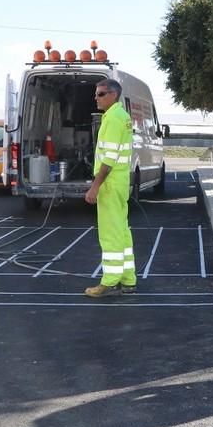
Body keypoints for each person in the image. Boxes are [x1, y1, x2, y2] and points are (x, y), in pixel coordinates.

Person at [84, 79, 137, 298]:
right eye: (96, 94)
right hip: (120, 181)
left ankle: (110, 280)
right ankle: (128, 278)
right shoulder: (121, 117)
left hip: (110, 182)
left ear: (113, 95)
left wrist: (95, 187)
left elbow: (110, 158)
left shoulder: (114, 119)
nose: (96, 98)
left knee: (110, 233)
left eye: (101, 94)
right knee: (122, 230)